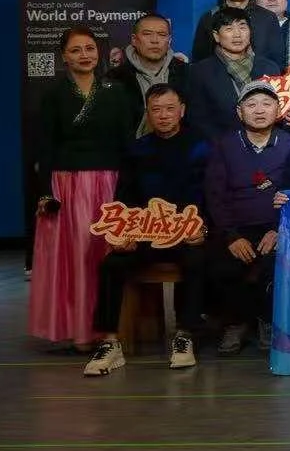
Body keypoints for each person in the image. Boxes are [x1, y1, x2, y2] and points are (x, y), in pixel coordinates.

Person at [83, 83, 210, 375]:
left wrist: (202, 228)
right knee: (111, 264)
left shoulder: (201, 146)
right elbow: (124, 198)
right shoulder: (136, 150)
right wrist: (122, 234)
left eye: (169, 109)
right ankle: (110, 342)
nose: (163, 115)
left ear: (182, 111)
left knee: (197, 260)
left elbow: (210, 195)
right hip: (144, 235)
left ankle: (185, 335)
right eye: (156, 110)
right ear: (148, 114)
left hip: (186, 233)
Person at [30, 27, 138, 349]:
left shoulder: (116, 92)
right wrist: (45, 193)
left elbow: (127, 144)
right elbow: (44, 148)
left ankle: (109, 328)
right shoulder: (53, 94)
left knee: (105, 254)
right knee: (76, 258)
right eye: (76, 50)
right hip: (68, 184)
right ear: (64, 56)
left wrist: (128, 192)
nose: (84, 55)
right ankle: (80, 330)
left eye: (89, 48)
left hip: (109, 182)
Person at [202, 80, 290, 352]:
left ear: (278, 109)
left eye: (266, 104)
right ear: (240, 112)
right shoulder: (224, 146)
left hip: (277, 227)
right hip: (236, 228)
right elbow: (214, 195)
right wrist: (231, 236)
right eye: (251, 105)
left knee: (275, 263)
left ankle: (267, 321)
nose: (259, 110)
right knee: (221, 264)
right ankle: (236, 322)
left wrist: (278, 229)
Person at [189, 8, 279, 141]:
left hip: (266, 143)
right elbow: (198, 119)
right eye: (229, 28)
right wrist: (227, 145)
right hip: (220, 145)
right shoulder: (201, 72)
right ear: (216, 36)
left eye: (242, 27)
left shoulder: (269, 68)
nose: (237, 34)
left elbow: (277, 111)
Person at [108, 14, 190, 120]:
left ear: (169, 40)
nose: (155, 40)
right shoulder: (114, 78)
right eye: (147, 34)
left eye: (161, 35)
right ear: (134, 39)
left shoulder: (189, 74)